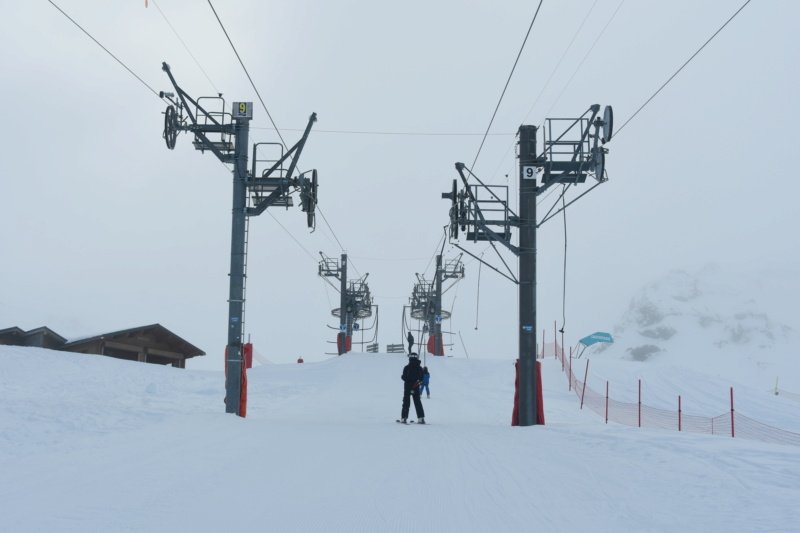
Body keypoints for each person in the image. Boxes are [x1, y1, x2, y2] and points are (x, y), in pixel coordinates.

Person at [398, 352, 425, 424]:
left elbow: (404, 377)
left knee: (406, 402)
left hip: (407, 387)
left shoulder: (407, 367)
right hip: (416, 387)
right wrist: (417, 383)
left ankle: (404, 418)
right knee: (417, 402)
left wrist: (405, 379)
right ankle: (421, 418)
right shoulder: (420, 368)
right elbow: (421, 378)